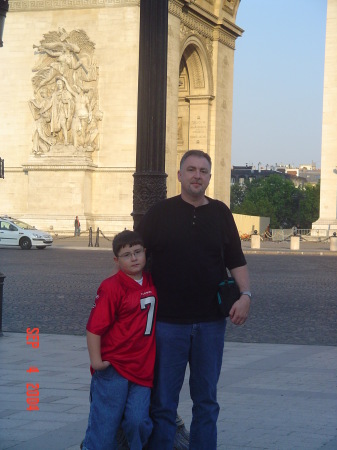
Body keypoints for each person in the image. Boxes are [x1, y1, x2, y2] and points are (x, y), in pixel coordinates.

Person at [136, 150, 251, 450]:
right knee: (163, 403)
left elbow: (236, 259)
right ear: (179, 175)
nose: (197, 175)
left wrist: (246, 295)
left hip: (211, 322)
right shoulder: (158, 214)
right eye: (191, 169)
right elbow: (134, 259)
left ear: (210, 177)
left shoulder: (222, 213)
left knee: (206, 402)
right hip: (167, 323)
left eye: (203, 171)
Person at [82, 230, 158, 450]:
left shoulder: (152, 280)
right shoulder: (111, 287)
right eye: (127, 255)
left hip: (142, 369)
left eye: (137, 252)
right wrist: (96, 362)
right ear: (116, 260)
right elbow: (94, 328)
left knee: (138, 421)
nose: (134, 258)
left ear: (145, 253)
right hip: (114, 367)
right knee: (104, 428)